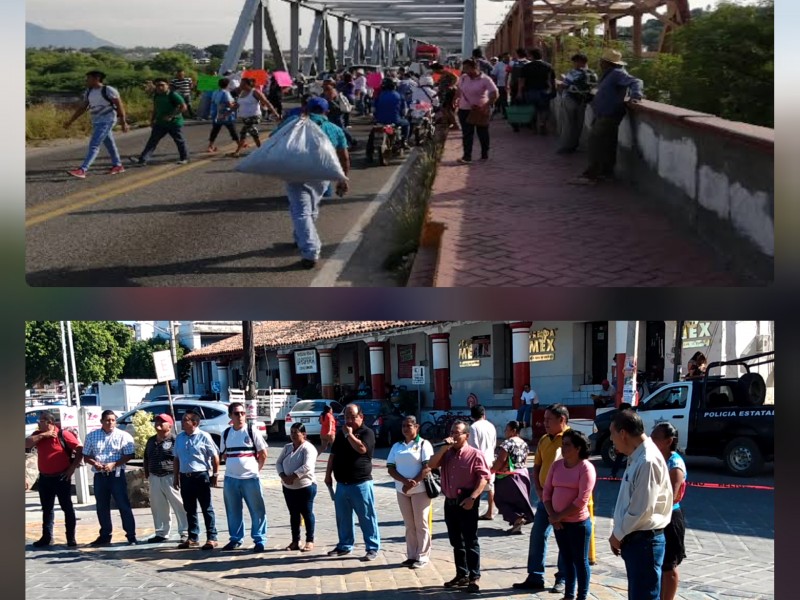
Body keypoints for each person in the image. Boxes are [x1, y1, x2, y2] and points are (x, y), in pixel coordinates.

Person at [279, 96, 350, 269]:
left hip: (296, 173)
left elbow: (275, 138)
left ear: (306, 109)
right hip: (321, 177)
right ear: (326, 111)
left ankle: (310, 251)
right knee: (310, 208)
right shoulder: (334, 129)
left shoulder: (293, 123)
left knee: (301, 211)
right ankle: (300, 236)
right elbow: (344, 157)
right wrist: (343, 179)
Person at [609, 409, 673, 600]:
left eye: (612, 434)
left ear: (623, 433)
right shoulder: (636, 456)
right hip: (634, 540)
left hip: (644, 541)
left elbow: (641, 510)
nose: (611, 440)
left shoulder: (647, 461)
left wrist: (617, 535)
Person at [427, 420, 491, 593]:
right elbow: (431, 465)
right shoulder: (446, 454)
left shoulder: (475, 454)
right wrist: (442, 449)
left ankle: (474, 577)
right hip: (450, 502)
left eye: (458, 433)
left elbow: (484, 478)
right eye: (452, 432)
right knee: (456, 542)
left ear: (467, 436)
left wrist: (473, 497)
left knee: (470, 541)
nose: (454, 436)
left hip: (467, 502)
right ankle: (461, 574)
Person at [513, 403, 569, 593]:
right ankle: (535, 575)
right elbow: (537, 465)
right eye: (543, 419)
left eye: (548, 420)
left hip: (564, 500)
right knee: (538, 535)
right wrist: (538, 487)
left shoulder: (571, 440)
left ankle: (563, 578)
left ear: (562, 420)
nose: (543, 423)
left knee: (564, 539)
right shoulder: (545, 439)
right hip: (546, 498)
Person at [573, 48, 643, 185]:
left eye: (602, 61)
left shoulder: (617, 73)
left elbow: (636, 81)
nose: (600, 63)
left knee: (595, 143)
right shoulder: (609, 74)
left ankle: (591, 175)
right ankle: (606, 173)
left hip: (609, 114)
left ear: (608, 63)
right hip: (603, 113)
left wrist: (636, 95)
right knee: (607, 144)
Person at [543, 430, 597, 600]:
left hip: (578, 524)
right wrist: (553, 516)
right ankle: (568, 594)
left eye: (567, 444)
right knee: (566, 560)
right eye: (563, 443)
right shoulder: (556, 465)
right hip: (559, 523)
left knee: (580, 561)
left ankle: (582, 596)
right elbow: (546, 494)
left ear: (578, 448)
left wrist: (558, 516)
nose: (563, 447)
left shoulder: (586, 468)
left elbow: (581, 500)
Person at [324, 403, 381, 561]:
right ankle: (344, 545)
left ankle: (372, 547)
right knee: (343, 517)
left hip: (361, 483)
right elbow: (333, 455)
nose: (349, 420)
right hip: (342, 484)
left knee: (367, 517)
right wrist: (328, 475)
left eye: (352, 417)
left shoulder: (367, 432)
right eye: (346, 417)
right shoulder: (342, 434)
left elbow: (362, 449)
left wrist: (350, 435)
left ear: (361, 417)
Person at [25, 411, 83, 547]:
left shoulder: (63, 434)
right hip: (45, 478)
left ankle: (70, 538)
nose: (38, 423)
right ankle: (47, 537)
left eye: (41, 421)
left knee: (67, 507)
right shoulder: (38, 435)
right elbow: (26, 444)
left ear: (49, 423)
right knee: (47, 509)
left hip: (61, 477)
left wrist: (72, 468)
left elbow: (79, 449)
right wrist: (44, 435)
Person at [82, 410, 137, 546]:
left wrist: (114, 464)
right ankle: (105, 535)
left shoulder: (124, 436)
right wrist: (95, 463)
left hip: (116, 475)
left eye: (113, 420)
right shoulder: (92, 436)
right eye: (107, 420)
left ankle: (131, 536)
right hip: (100, 476)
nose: (110, 423)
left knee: (123, 505)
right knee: (102, 506)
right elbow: (86, 455)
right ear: (101, 421)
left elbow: (129, 454)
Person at [219, 402, 269, 552]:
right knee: (233, 510)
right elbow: (224, 454)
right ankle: (235, 539)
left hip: (250, 479)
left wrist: (256, 470)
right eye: (236, 413)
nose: (240, 416)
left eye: (242, 413)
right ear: (230, 416)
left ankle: (259, 539)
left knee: (257, 509)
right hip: (231, 479)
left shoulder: (251, 430)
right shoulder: (226, 433)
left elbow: (263, 454)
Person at [387, 416, 434, 569]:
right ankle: (412, 555)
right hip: (402, 490)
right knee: (409, 524)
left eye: (409, 426)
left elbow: (427, 467)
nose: (406, 429)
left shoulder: (423, 444)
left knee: (421, 523)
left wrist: (414, 481)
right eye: (403, 426)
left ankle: (423, 556)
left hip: (420, 490)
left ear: (417, 427)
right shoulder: (397, 446)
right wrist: (405, 482)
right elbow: (391, 468)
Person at [63, 70, 129, 178]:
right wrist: (70, 121)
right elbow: (82, 108)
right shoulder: (89, 92)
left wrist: (123, 122)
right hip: (97, 121)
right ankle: (118, 166)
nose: (86, 80)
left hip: (107, 120)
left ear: (97, 78)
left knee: (94, 144)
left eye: (88, 78)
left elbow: (119, 105)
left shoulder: (108, 90)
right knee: (109, 143)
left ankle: (83, 170)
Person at [173, 410, 220, 550]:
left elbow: (215, 456)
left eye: (185, 420)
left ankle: (212, 537)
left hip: (200, 476)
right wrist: (176, 477)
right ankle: (193, 537)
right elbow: (176, 458)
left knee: (206, 508)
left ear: (194, 423)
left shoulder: (204, 436)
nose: (182, 422)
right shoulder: (180, 438)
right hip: (185, 476)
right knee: (189, 508)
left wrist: (215, 475)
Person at [651, 423, 687, 600]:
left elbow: (671, 496)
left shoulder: (675, 464)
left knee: (668, 565)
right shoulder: (655, 458)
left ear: (668, 441)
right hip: (656, 516)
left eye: (656, 437)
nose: (651, 440)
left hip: (670, 517)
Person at [142, 413, 188, 543]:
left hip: (170, 476)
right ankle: (161, 532)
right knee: (158, 506)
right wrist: (147, 473)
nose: (158, 424)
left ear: (170, 425)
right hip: (154, 477)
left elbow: (179, 458)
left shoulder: (175, 440)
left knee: (179, 505)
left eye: (162, 421)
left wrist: (177, 476)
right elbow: (146, 457)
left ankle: (185, 531)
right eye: (156, 421)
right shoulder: (151, 440)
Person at [276, 423, 319, 552]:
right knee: (293, 514)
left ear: (304, 434)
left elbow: (307, 466)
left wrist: (293, 476)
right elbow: (278, 462)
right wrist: (283, 475)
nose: (294, 435)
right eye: (292, 432)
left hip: (305, 486)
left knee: (307, 513)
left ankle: (309, 540)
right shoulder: (287, 447)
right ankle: (295, 540)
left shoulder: (308, 448)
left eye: (297, 432)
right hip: (288, 488)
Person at [129, 78, 189, 166]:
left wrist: (171, 116)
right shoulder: (156, 95)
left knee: (179, 141)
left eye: (162, 85)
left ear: (167, 85)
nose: (160, 87)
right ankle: (142, 160)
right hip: (160, 123)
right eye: (157, 85)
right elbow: (156, 109)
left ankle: (184, 158)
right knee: (152, 141)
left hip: (174, 123)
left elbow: (184, 107)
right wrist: (152, 120)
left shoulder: (173, 94)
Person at [490, 421, 534, 534]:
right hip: (523, 475)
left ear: (513, 430)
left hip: (509, 476)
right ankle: (517, 523)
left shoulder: (507, 443)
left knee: (501, 499)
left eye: (506, 429)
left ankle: (516, 518)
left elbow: (501, 460)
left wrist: (493, 470)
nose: (505, 431)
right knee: (519, 501)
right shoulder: (524, 443)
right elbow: (525, 459)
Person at [455, 58, 498, 164]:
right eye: (464, 68)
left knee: (482, 133)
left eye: (467, 68)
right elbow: (459, 90)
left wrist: (487, 105)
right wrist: (455, 100)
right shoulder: (464, 78)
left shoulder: (485, 79)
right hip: (464, 109)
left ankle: (484, 154)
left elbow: (495, 93)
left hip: (480, 110)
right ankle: (467, 157)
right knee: (467, 134)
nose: (465, 71)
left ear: (475, 68)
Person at [556, 53, 598, 154]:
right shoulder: (593, 74)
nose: (574, 64)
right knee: (579, 124)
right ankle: (575, 144)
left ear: (579, 62)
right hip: (582, 101)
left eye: (575, 62)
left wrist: (563, 79)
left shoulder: (573, 72)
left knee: (568, 123)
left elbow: (565, 85)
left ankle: (566, 146)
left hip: (570, 99)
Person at [229, 77, 280, 158]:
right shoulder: (241, 93)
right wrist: (228, 112)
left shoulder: (255, 92)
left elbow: (266, 102)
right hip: (245, 117)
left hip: (255, 116)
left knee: (244, 131)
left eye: (243, 84)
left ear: (247, 84)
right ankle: (261, 150)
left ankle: (237, 152)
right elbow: (237, 105)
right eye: (240, 84)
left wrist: (275, 113)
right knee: (253, 133)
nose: (241, 85)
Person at [467, 404, 497, 521]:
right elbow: (494, 443)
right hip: (490, 459)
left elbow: (473, 447)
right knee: (490, 487)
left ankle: (474, 510)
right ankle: (490, 511)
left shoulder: (473, 427)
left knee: (476, 486)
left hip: (479, 461)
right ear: (484, 414)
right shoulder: (491, 426)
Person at [516, 48, 556, 135]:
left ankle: (534, 126)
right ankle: (542, 123)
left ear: (532, 56)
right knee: (544, 109)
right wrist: (553, 90)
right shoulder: (548, 66)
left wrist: (519, 92)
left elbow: (521, 81)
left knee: (532, 109)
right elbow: (552, 80)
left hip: (530, 91)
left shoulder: (526, 67)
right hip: (544, 91)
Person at [372, 78, 411, 146]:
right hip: (395, 120)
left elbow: (373, 109)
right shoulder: (399, 96)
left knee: (373, 132)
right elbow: (404, 111)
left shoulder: (379, 96)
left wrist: (376, 116)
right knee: (406, 124)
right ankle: (404, 141)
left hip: (380, 120)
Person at [207, 77, 240, 153]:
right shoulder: (226, 93)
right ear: (227, 85)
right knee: (232, 130)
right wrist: (235, 105)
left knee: (215, 131)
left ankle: (210, 146)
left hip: (216, 114)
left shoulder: (215, 92)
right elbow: (229, 104)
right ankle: (239, 144)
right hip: (226, 115)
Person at [431, 62, 459, 130]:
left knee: (447, 110)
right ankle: (450, 123)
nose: (434, 72)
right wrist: (437, 93)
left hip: (449, 93)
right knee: (444, 110)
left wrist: (452, 85)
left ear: (438, 69)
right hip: (444, 94)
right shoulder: (442, 75)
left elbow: (456, 78)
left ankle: (455, 124)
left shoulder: (447, 72)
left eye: (434, 70)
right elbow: (441, 85)